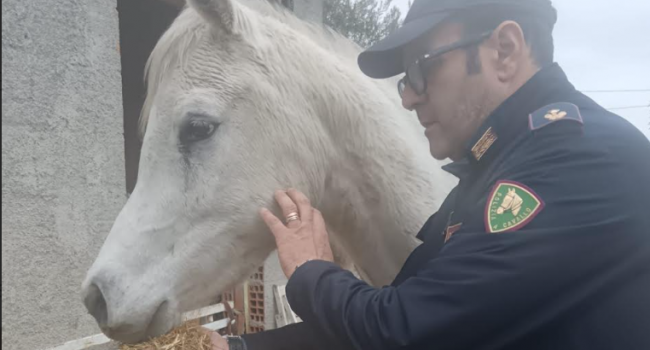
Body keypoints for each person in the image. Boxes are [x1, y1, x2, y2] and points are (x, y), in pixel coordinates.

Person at [210, 0, 650, 349]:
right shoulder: (493, 170)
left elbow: (403, 333)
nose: (410, 97)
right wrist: (234, 348)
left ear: (505, 50)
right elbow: (392, 317)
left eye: (423, 67)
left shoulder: (580, 158)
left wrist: (310, 271)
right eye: (406, 80)